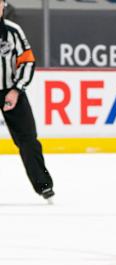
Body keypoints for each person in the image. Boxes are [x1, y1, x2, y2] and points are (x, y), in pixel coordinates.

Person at [0, 0, 54, 202]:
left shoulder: (13, 31)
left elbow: (28, 60)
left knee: (29, 140)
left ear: (3, 5)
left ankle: (44, 186)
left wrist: (15, 89)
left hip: (11, 91)